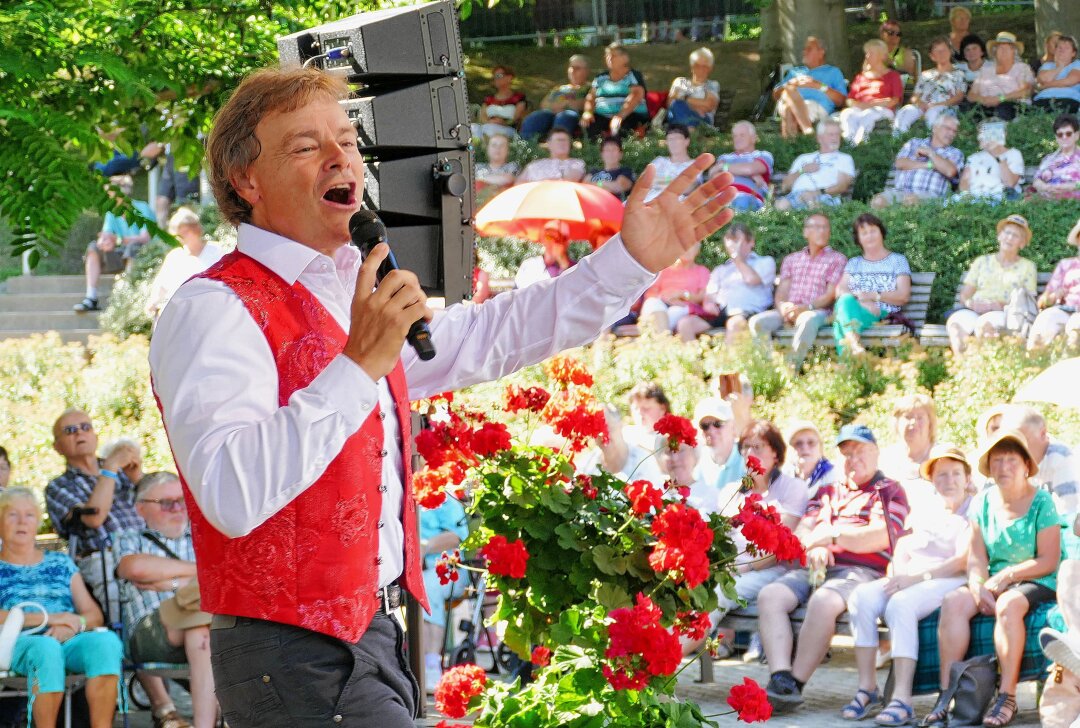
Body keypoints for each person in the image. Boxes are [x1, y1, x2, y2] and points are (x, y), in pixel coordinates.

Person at [148, 65, 736, 727]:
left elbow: (492, 334)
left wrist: (628, 263)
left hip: (371, 632)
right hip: (287, 649)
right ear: (245, 181)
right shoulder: (214, 307)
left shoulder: (348, 294)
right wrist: (357, 365)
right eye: (307, 146)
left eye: (347, 140)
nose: (342, 158)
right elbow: (230, 493)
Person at [760, 424, 909, 713]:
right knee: (771, 596)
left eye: (860, 451)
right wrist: (813, 545)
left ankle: (795, 685)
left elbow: (880, 535)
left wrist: (832, 536)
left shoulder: (887, 490)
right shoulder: (828, 491)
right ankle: (780, 678)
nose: (853, 459)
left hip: (861, 572)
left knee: (823, 601)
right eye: (847, 453)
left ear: (876, 452)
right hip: (814, 568)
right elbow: (803, 530)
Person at [931, 429, 1061, 728]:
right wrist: (978, 587)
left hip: (1037, 577)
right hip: (993, 578)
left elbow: (1049, 559)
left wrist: (1007, 576)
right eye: (997, 460)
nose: (1004, 467)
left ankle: (1008, 697)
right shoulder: (983, 502)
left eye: (1011, 460)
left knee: (1009, 606)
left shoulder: (1042, 502)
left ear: (1026, 465)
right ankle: (945, 694)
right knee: (953, 602)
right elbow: (976, 557)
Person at [844, 445, 973, 726]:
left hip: (946, 579)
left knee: (900, 605)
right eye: (941, 475)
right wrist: (898, 574)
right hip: (911, 578)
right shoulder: (928, 508)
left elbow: (963, 561)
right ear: (932, 479)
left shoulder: (973, 509)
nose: (948, 481)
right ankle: (867, 688)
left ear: (967, 477)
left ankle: (902, 700)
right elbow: (903, 544)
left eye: (955, 474)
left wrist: (914, 579)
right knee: (861, 598)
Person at [0, 487, 123, 728]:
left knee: (106, 642)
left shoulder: (60, 563)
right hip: (16, 642)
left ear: (37, 522)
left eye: (29, 515)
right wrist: (50, 619)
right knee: (46, 648)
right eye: (12, 514)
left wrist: (75, 625)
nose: (22, 522)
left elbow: (93, 615)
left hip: (66, 638)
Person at [684, 420, 809, 657]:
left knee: (718, 592)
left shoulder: (793, 488)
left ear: (775, 453)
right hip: (732, 567)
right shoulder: (733, 490)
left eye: (758, 447)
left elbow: (779, 549)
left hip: (773, 571)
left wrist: (744, 566)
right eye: (745, 448)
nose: (751, 453)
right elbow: (718, 537)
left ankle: (668, 659)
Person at [114, 472, 216, 728]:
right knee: (202, 625)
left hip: (203, 627)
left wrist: (171, 581)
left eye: (182, 500)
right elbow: (136, 568)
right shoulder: (130, 538)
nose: (177, 508)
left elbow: (228, 571)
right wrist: (202, 571)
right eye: (166, 502)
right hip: (151, 634)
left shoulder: (204, 536)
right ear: (141, 508)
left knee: (200, 631)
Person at [44, 409, 142, 621]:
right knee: (132, 615)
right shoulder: (58, 486)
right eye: (70, 430)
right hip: (105, 558)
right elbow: (94, 518)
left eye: (85, 427)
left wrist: (137, 478)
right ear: (57, 447)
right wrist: (110, 468)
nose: (79, 433)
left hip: (147, 548)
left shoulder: (121, 472)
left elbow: (158, 511)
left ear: (95, 437)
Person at [748, 213, 847, 367]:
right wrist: (783, 307)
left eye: (825, 228)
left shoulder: (836, 259)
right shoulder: (792, 260)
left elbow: (830, 295)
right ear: (805, 232)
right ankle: (768, 368)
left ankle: (791, 369)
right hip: (790, 310)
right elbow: (782, 292)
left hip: (817, 311)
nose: (822, 231)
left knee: (806, 319)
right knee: (757, 322)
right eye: (817, 227)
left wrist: (806, 307)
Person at [946, 214, 1037, 355]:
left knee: (985, 325)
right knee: (955, 325)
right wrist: (970, 303)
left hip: (1003, 312)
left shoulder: (1027, 267)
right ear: (999, 236)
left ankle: (983, 369)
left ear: (1022, 243)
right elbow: (965, 294)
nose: (1010, 238)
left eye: (1016, 235)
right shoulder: (982, 261)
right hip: (974, 310)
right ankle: (962, 367)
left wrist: (999, 305)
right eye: (1007, 232)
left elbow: (1027, 300)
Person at [677, 222, 775, 344]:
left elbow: (751, 279)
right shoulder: (721, 269)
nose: (733, 245)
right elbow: (710, 295)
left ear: (751, 242)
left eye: (737, 240)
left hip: (749, 312)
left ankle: (726, 363)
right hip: (722, 312)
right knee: (685, 324)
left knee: (733, 324)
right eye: (730, 240)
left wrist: (737, 257)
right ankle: (693, 362)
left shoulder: (764, 262)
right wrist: (709, 303)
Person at [832, 213, 912, 355]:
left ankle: (849, 361)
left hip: (882, 313)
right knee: (844, 300)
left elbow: (903, 296)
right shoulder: (854, 263)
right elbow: (841, 289)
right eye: (864, 233)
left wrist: (873, 296)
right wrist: (860, 301)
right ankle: (854, 345)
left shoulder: (897, 261)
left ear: (881, 232)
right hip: (855, 309)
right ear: (859, 239)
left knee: (839, 323)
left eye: (873, 231)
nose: (869, 236)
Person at [74, 174, 156, 312]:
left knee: (132, 246)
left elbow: (145, 238)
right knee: (93, 247)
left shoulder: (142, 208)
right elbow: (105, 235)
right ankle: (91, 297)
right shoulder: (111, 213)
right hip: (120, 255)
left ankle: (127, 295)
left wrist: (118, 240)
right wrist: (104, 243)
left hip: (143, 256)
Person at [418, 497, 469, 691]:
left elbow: (456, 536)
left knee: (429, 584)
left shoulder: (446, 501)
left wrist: (425, 546)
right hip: (411, 570)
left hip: (447, 571)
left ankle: (431, 662)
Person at [998, 405, 1080, 520]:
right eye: (1012, 443)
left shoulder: (1061, 458)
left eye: (1023, 441)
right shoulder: (1010, 461)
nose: (1017, 449)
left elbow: (1069, 516)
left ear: (1042, 434)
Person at [145, 207, 225, 323]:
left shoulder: (218, 251)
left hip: (211, 315)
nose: (181, 239)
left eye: (184, 234)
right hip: (180, 317)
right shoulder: (174, 256)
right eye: (178, 236)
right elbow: (161, 286)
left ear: (196, 230)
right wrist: (153, 302)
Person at [872, 113, 963, 208]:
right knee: (878, 201)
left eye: (954, 131)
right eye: (948, 129)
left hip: (930, 196)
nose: (951, 134)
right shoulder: (914, 143)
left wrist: (930, 153)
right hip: (900, 191)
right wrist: (930, 165)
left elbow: (950, 171)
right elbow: (900, 163)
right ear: (935, 128)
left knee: (911, 201)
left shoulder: (955, 153)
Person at [772, 36, 848, 139]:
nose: (804, 52)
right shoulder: (795, 72)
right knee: (788, 92)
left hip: (815, 104)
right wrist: (791, 83)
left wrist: (818, 85)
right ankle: (807, 130)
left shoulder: (833, 71)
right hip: (791, 102)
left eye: (809, 49)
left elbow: (842, 101)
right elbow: (776, 94)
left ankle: (790, 145)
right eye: (804, 49)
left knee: (787, 107)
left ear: (821, 53)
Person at [773, 119, 855, 211]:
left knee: (812, 203)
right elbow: (785, 187)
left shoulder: (844, 159)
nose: (835, 138)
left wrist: (818, 192)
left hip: (824, 196)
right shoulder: (803, 158)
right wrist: (802, 170)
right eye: (831, 134)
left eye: (837, 134)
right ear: (819, 138)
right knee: (781, 205)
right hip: (796, 196)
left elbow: (842, 186)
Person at [893, 36, 967, 135]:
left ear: (950, 52)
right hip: (923, 106)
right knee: (906, 111)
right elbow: (915, 96)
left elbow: (959, 97)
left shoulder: (959, 74)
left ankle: (931, 144)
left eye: (944, 50)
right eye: (937, 51)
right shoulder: (925, 75)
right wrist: (920, 103)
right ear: (932, 56)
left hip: (945, 107)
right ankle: (897, 142)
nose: (941, 54)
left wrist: (935, 105)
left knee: (933, 112)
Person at [839, 39, 903, 146]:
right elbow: (850, 99)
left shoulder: (893, 76)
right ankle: (849, 145)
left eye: (871, 53)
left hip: (883, 110)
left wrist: (873, 105)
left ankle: (860, 145)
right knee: (847, 114)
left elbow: (895, 100)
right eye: (866, 53)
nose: (867, 56)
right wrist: (860, 105)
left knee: (868, 115)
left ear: (882, 56)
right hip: (861, 108)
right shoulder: (861, 77)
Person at [1029, 219, 1080, 349]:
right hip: (1064, 309)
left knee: (1076, 329)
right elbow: (1043, 302)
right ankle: (1032, 362)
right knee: (1044, 321)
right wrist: (1053, 296)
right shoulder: (1066, 265)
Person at [580, 43, 649, 139]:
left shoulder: (632, 75)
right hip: (602, 115)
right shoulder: (600, 78)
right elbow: (591, 97)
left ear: (625, 58)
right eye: (607, 56)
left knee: (622, 130)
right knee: (589, 126)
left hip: (629, 114)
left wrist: (620, 116)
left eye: (613, 55)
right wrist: (588, 112)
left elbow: (636, 95)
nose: (609, 58)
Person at [638, 242, 710, 333]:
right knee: (652, 303)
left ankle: (659, 340)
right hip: (661, 304)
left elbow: (702, 297)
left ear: (697, 251)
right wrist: (664, 298)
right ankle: (662, 339)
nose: (686, 250)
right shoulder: (664, 269)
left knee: (672, 314)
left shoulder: (702, 271)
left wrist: (682, 294)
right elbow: (651, 293)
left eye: (691, 247)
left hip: (683, 307)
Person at [966, 31, 1034, 121]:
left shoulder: (1022, 68)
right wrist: (983, 99)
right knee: (973, 110)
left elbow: (1026, 91)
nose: (1003, 51)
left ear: (1014, 51)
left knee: (1003, 108)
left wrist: (1000, 98)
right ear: (995, 51)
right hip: (986, 105)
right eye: (1000, 48)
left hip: (1012, 105)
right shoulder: (986, 69)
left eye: (1007, 48)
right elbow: (971, 95)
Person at [519, 54, 590, 140]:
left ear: (586, 71)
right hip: (550, 113)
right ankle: (525, 146)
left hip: (572, 115)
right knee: (536, 116)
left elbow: (583, 104)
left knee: (564, 117)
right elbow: (544, 104)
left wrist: (560, 105)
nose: (573, 71)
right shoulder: (559, 88)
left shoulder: (590, 87)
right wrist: (564, 104)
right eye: (571, 67)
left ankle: (555, 147)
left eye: (577, 68)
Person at [706, 121, 773, 211]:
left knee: (741, 201)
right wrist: (748, 174)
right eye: (735, 136)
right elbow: (713, 175)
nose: (737, 139)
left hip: (748, 196)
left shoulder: (762, 155)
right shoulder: (725, 157)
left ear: (753, 138)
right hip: (722, 195)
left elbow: (750, 169)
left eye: (742, 135)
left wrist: (724, 167)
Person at [955, 120, 1024, 203]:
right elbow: (964, 182)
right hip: (975, 198)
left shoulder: (1013, 154)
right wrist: (966, 196)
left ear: (1003, 134)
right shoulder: (974, 157)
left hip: (1000, 197)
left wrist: (997, 155)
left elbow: (1010, 183)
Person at [878, 393, 938, 487]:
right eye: (908, 417)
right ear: (897, 423)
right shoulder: (885, 458)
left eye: (920, 418)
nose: (913, 422)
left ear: (930, 423)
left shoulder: (942, 456)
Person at [693, 397, 746, 492]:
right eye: (704, 426)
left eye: (718, 424)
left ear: (733, 427)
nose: (711, 430)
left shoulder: (746, 458)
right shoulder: (698, 461)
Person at [783, 420, 842, 497]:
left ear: (820, 447)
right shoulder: (784, 476)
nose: (805, 447)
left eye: (811, 442)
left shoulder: (833, 476)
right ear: (790, 449)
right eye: (798, 443)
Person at [642, 124, 699, 203]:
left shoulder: (694, 164)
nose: (673, 143)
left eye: (677, 139)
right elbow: (643, 181)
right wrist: (676, 182)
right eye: (670, 139)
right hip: (648, 202)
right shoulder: (659, 161)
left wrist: (657, 181)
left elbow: (688, 187)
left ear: (687, 141)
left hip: (674, 205)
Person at [665, 47, 720, 128]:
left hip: (702, 121)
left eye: (705, 66)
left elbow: (708, 105)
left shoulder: (712, 84)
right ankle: (689, 132)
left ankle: (685, 132)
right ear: (692, 67)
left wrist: (684, 98)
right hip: (678, 117)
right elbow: (670, 103)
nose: (701, 69)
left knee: (679, 106)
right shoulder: (680, 82)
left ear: (710, 69)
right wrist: (698, 106)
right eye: (697, 65)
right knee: (677, 105)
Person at [1031, 113, 1080, 201]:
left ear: (1076, 135)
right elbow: (1036, 181)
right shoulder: (1048, 159)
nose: (1064, 137)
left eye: (1068, 134)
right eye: (1060, 134)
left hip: (1074, 205)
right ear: (1056, 137)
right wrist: (1045, 187)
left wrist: (1071, 186)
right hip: (1047, 205)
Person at [470, 65, 526, 140]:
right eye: (494, 76)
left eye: (499, 75)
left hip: (508, 130)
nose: (496, 79)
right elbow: (483, 116)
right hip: (488, 126)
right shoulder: (489, 99)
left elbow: (517, 118)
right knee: (470, 128)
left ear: (509, 77)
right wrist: (489, 122)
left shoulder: (518, 98)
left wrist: (504, 123)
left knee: (491, 130)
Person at [513, 220, 574, 289]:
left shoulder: (575, 268)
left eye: (559, 238)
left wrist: (564, 266)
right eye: (549, 236)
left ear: (566, 243)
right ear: (542, 238)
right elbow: (516, 293)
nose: (553, 241)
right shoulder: (529, 264)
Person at [515, 128, 585, 184]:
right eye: (559, 140)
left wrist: (544, 183)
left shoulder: (576, 163)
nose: (562, 143)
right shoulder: (534, 165)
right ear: (549, 144)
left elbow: (570, 179)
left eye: (565, 140)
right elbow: (518, 185)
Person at [1035, 35, 1080, 114]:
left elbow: (1070, 81)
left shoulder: (1077, 64)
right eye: (1059, 47)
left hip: (1068, 99)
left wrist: (1044, 86)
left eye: (1066, 48)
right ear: (1055, 50)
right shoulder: (1047, 65)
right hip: (1043, 99)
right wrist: (1059, 67)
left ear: (1073, 53)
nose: (1062, 50)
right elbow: (1043, 79)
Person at [474, 133, 519, 206]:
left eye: (502, 145)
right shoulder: (477, 167)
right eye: (494, 145)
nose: (498, 149)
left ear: (507, 150)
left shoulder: (513, 166)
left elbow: (508, 179)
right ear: (487, 149)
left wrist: (480, 180)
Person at [586, 136, 634, 201]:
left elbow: (618, 187)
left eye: (614, 150)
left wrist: (597, 184)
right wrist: (607, 187)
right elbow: (584, 187)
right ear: (602, 154)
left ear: (620, 154)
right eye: (607, 150)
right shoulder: (594, 172)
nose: (611, 153)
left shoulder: (625, 171)